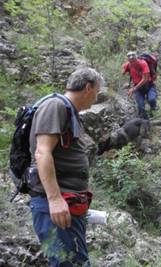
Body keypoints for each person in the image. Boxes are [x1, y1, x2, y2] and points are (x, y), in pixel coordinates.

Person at [28, 67, 103, 266]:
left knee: (76, 261)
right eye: (97, 92)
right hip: (55, 205)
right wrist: (54, 199)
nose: (96, 98)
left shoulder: (69, 111)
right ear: (88, 87)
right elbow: (42, 152)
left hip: (69, 204)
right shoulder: (55, 106)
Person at [122, 51, 157, 119]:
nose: (133, 62)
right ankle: (146, 121)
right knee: (141, 107)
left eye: (134, 60)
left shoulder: (143, 63)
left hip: (149, 86)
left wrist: (133, 89)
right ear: (129, 60)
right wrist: (126, 84)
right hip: (138, 89)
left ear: (136, 58)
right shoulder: (128, 65)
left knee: (152, 100)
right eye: (131, 60)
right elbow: (122, 73)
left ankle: (153, 109)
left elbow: (145, 79)